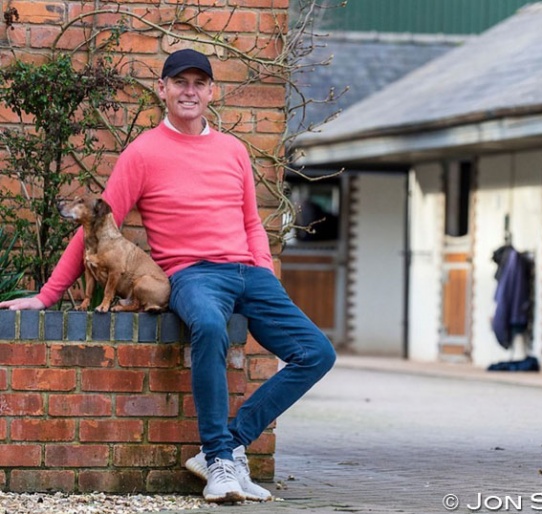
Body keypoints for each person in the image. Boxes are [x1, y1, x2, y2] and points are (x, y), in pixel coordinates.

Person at [0, 48, 337, 504]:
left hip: (248, 272)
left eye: (199, 83)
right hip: (193, 275)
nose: (190, 91)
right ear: (163, 89)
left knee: (316, 353)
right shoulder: (142, 153)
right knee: (211, 327)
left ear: (212, 91)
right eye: (180, 82)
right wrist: (45, 297)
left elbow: (251, 220)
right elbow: (95, 227)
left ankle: (232, 442)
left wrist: (264, 270)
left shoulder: (234, 150)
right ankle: (219, 458)